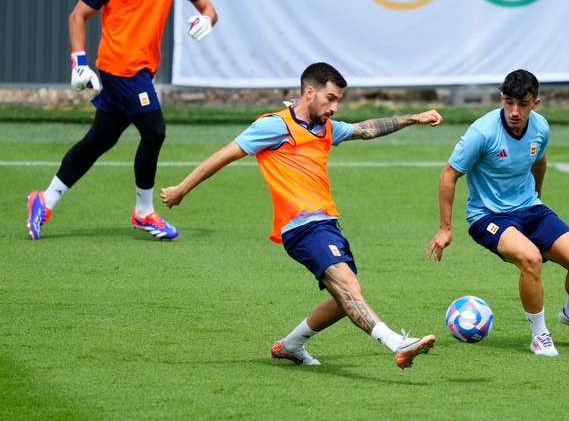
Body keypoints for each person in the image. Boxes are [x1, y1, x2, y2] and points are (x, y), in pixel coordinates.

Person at [160, 62, 442, 369]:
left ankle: (291, 345)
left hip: (328, 224)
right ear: (310, 92)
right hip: (301, 227)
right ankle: (397, 344)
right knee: (348, 286)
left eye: (338, 101)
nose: (334, 107)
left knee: (343, 300)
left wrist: (414, 118)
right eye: (330, 98)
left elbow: (365, 129)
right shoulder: (274, 126)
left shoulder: (325, 128)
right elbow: (223, 155)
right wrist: (181, 189)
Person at [25, 0, 218, 241]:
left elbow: (208, 8)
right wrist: (79, 62)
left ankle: (45, 199)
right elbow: (77, 16)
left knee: (99, 140)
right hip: (118, 68)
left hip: (143, 68)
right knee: (154, 131)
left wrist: (207, 21)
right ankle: (144, 211)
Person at [428, 69, 569, 357]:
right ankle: (539, 334)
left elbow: (539, 161)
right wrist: (445, 227)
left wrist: (537, 199)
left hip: (530, 209)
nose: (515, 111)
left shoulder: (541, 127)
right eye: (509, 102)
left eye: (523, 104)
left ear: (535, 103)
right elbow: (448, 175)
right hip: (487, 217)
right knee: (531, 259)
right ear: (502, 98)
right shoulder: (482, 132)